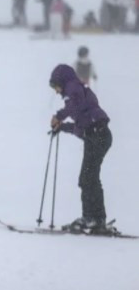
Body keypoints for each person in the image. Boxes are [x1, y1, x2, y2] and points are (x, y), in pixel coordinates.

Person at [49, 64, 113, 234]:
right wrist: (61, 127)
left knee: (88, 177)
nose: (56, 91)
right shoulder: (78, 97)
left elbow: (73, 106)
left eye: (55, 86)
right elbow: (80, 127)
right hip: (97, 135)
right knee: (88, 177)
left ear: (61, 81)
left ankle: (92, 219)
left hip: (97, 136)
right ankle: (95, 218)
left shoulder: (73, 88)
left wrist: (59, 116)